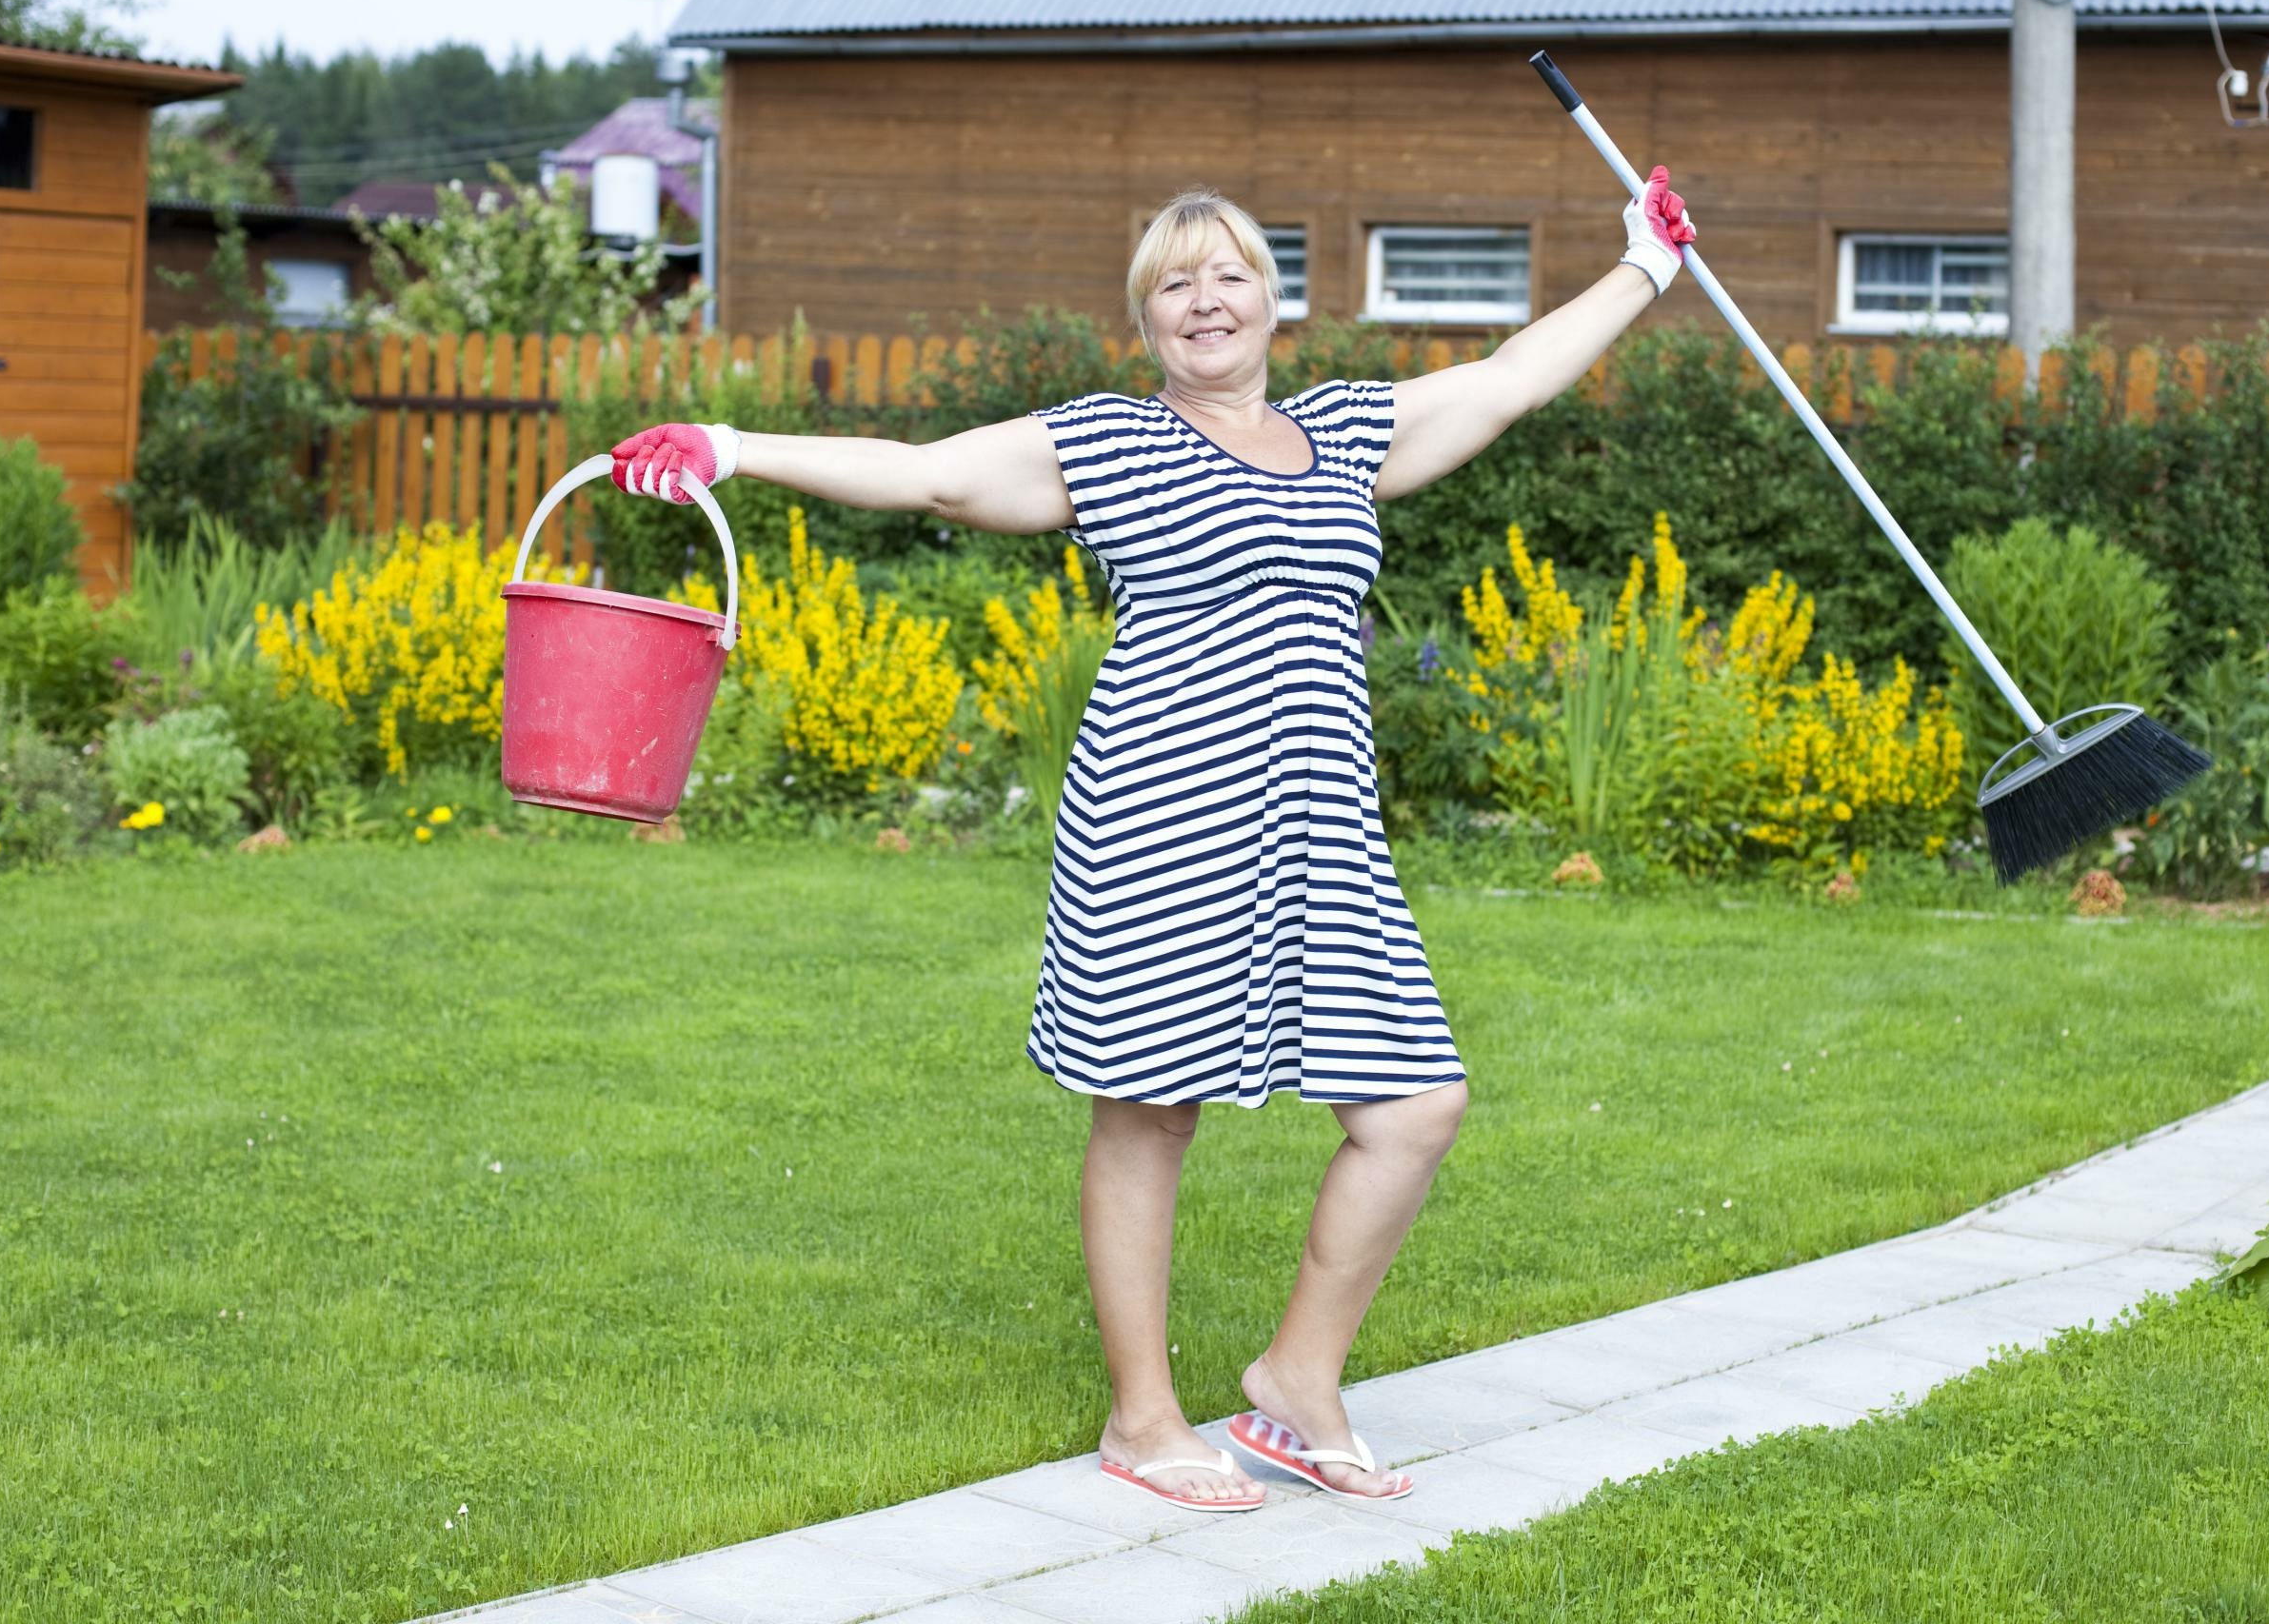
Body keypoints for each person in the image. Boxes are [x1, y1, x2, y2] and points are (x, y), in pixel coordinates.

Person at [608, 171, 1697, 1510]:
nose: (1205, 299)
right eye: (1175, 283)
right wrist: (730, 444)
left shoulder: (1348, 430)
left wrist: (1646, 264)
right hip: (1160, 828)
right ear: (1148, 320)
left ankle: (1299, 1384)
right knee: (1149, 1112)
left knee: (1416, 1106)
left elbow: (1515, 376)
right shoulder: (1111, 442)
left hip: (1323, 838)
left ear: (1272, 302)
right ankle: (1143, 1420)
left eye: (1228, 274)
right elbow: (931, 476)